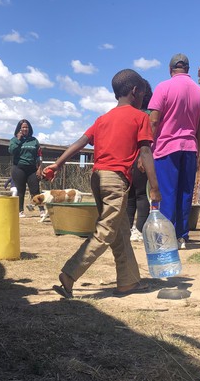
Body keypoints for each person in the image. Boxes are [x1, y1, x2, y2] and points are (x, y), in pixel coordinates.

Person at [44, 69, 161, 299]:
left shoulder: (102, 119)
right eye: (144, 94)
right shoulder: (140, 117)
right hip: (115, 180)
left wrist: (57, 165)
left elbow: (80, 143)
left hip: (97, 178)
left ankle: (128, 282)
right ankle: (69, 274)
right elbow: (146, 152)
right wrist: (155, 187)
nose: (144, 100)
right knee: (106, 231)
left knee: (120, 231)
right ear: (135, 91)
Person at [148, 53, 200, 249]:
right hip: (190, 148)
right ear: (188, 69)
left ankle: (165, 237)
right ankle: (182, 236)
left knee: (166, 192)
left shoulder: (163, 87)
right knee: (184, 192)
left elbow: (154, 120)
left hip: (166, 148)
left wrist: (147, 147)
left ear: (170, 69)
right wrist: (197, 150)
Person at [126, 81, 152, 242]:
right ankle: (134, 228)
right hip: (138, 156)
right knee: (138, 194)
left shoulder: (144, 114)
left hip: (137, 156)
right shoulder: (148, 114)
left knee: (137, 194)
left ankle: (136, 228)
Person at [9, 119, 44, 218]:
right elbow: (12, 151)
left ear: (29, 128)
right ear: (19, 129)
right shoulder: (14, 140)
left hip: (32, 169)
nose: (25, 129)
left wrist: (39, 168)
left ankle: (41, 210)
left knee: (35, 190)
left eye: (26, 127)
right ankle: (20, 211)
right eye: (23, 127)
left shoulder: (34, 140)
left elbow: (39, 156)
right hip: (19, 168)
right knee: (20, 190)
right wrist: (18, 140)